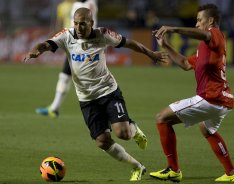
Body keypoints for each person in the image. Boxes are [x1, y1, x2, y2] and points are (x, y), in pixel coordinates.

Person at [24, 7, 168, 181]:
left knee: (124, 134)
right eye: (76, 23)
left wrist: (150, 53)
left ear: (91, 23)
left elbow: (129, 43)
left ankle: (133, 128)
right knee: (102, 141)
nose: (78, 27)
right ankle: (136, 166)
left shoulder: (103, 34)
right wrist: (36, 50)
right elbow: (47, 44)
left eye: (83, 24)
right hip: (86, 99)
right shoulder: (66, 36)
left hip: (108, 91)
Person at [149, 4, 234, 182]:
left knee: (162, 118)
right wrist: (166, 45)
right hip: (223, 99)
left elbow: (205, 34)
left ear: (211, 21)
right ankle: (232, 173)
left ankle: (173, 170)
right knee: (206, 129)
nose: (197, 24)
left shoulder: (214, 34)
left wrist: (173, 28)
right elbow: (185, 63)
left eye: (199, 20)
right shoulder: (205, 47)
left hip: (211, 98)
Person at [36, 0, 98, 118]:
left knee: (87, 80)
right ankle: (54, 108)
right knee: (65, 76)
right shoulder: (82, 4)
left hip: (83, 46)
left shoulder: (85, 4)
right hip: (77, 45)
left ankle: (104, 112)